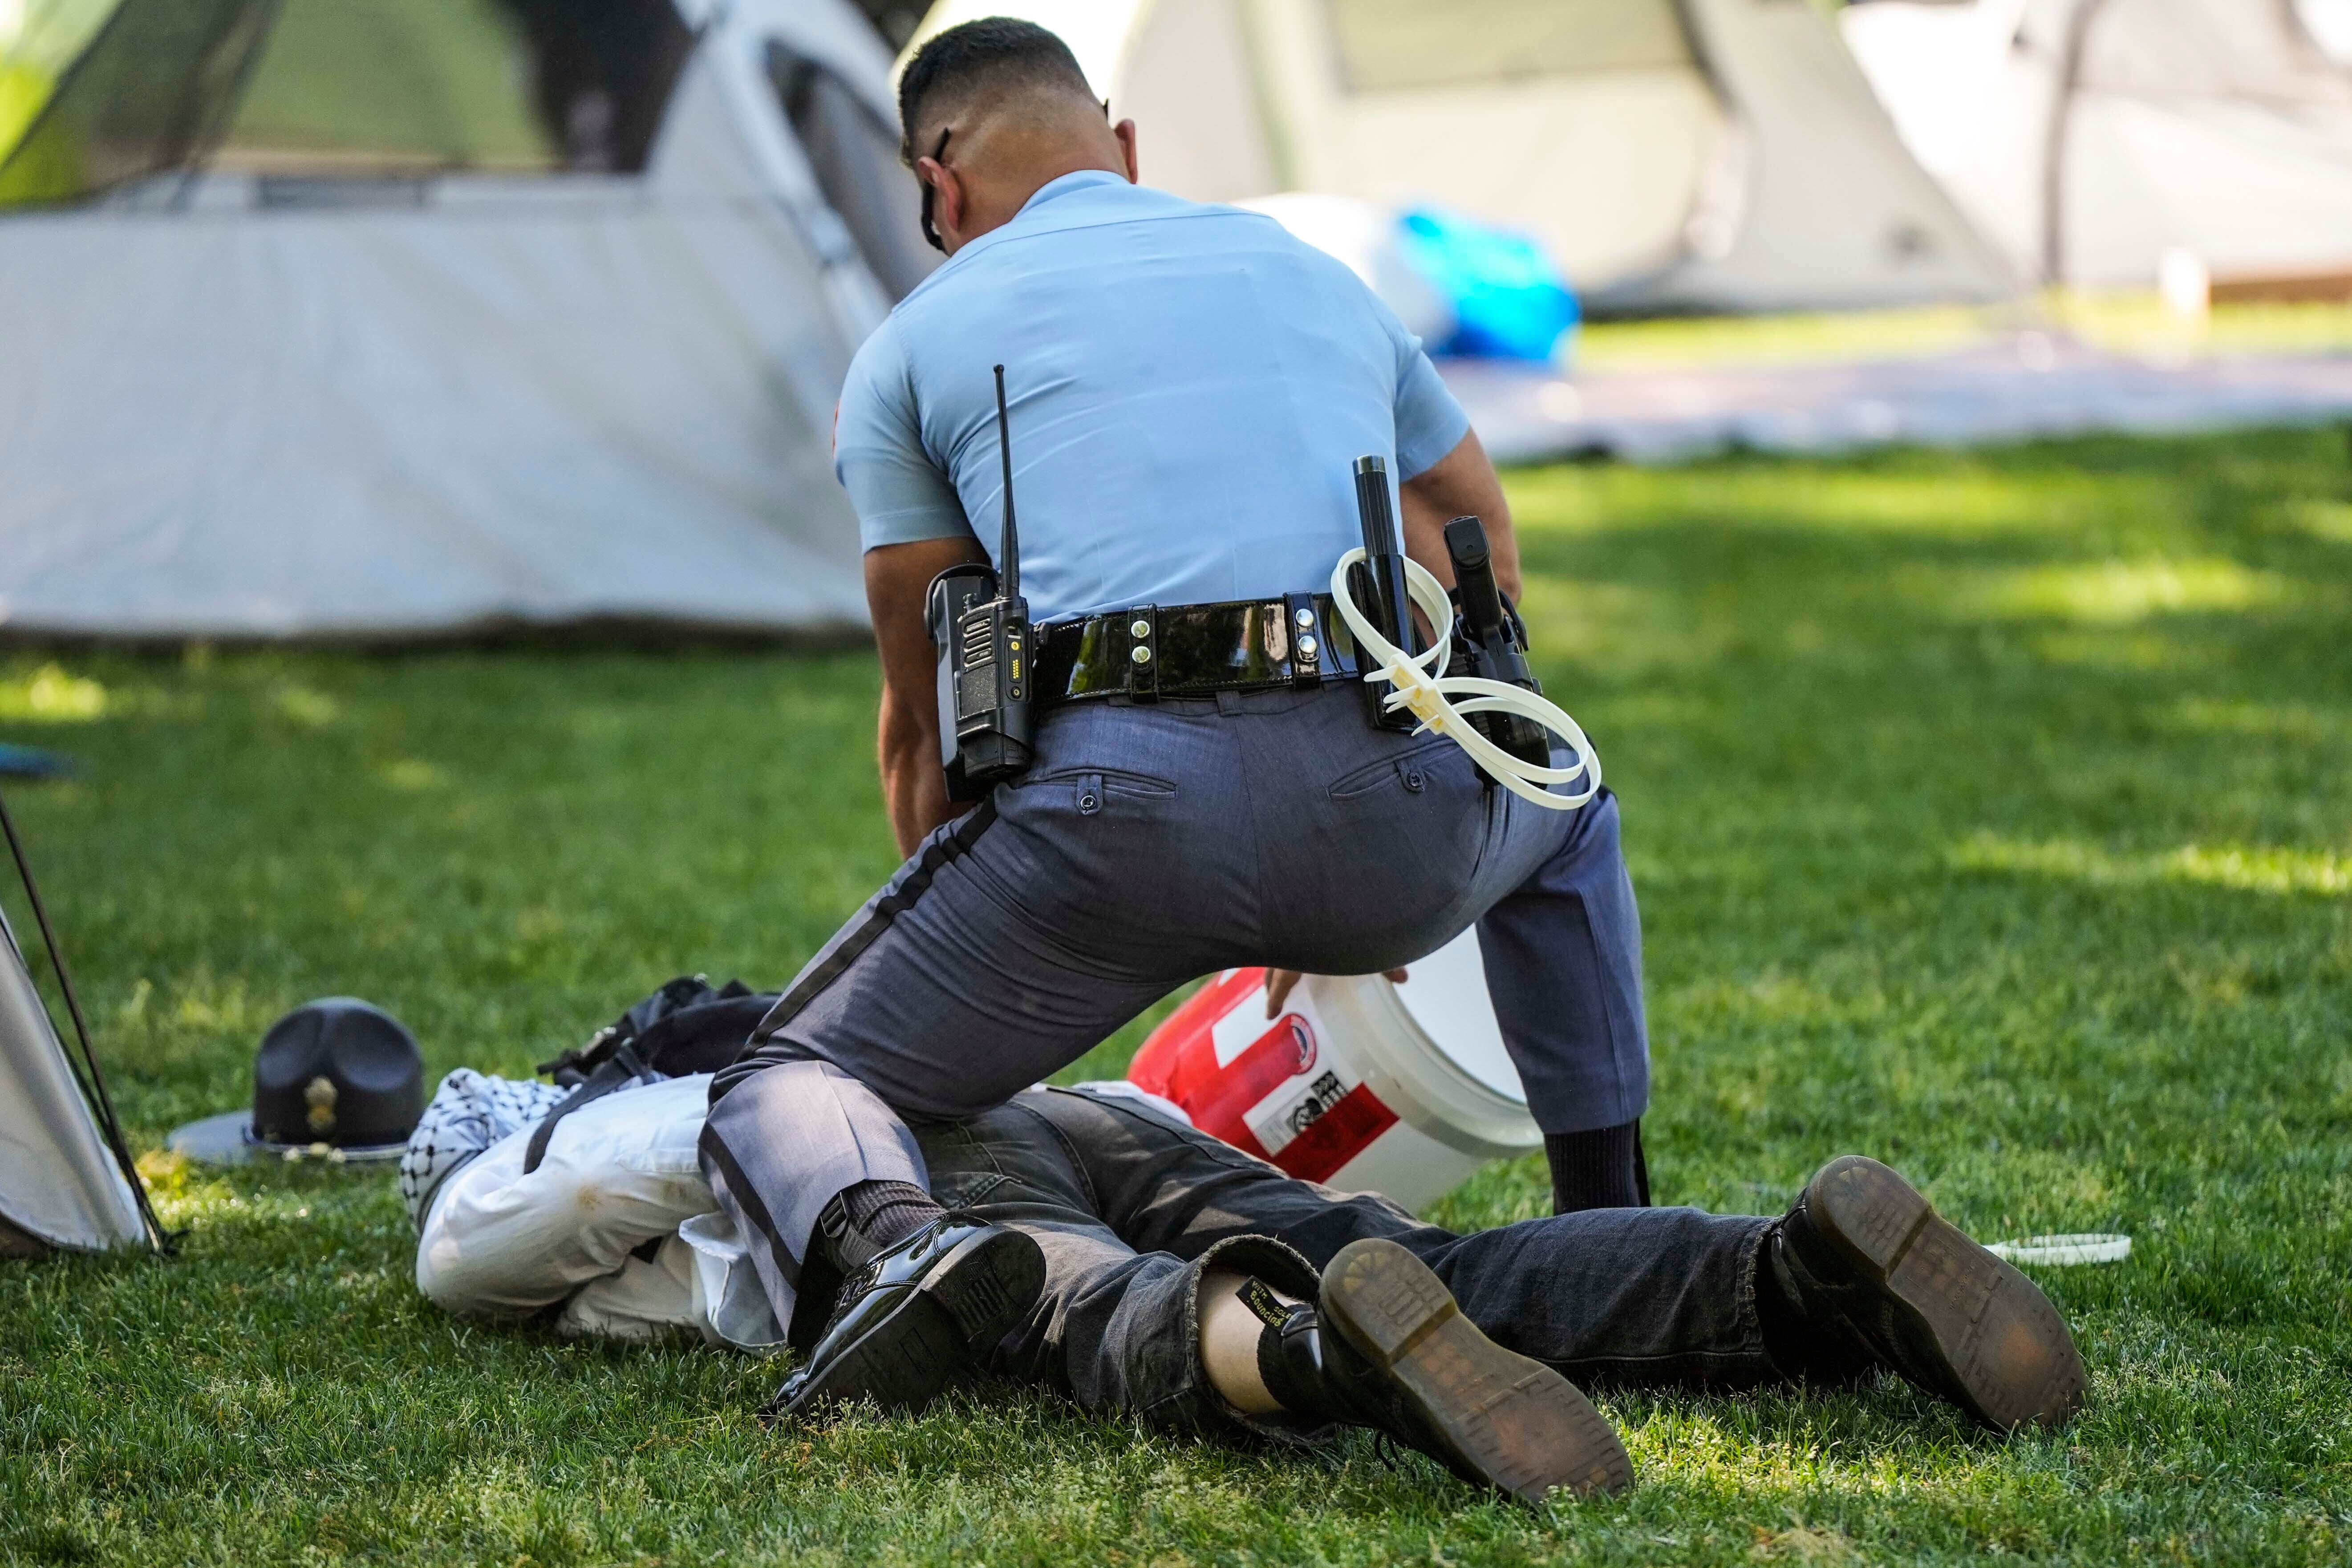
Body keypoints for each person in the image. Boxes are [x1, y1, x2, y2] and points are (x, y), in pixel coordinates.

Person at [702, 17, 1653, 1428]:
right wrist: (1379, 810)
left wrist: (980, 952)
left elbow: (924, 714)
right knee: (1568, 811)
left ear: (936, 188)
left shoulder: (910, 347)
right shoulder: (1314, 274)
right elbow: (1472, 541)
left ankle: (904, 1254)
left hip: (1106, 836)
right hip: (1387, 822)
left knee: (789, 1073)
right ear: (1125, 144)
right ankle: (1609, 1221)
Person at [416, 1067, 2090, 1506]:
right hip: (1095, 1104)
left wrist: (855, 1188)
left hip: (926, 1161)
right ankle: (1795, 1273)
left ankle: (1318, 1358)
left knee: (1075, 1303)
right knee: (1436, 1258)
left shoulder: (587, 1119)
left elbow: (491, 1240)